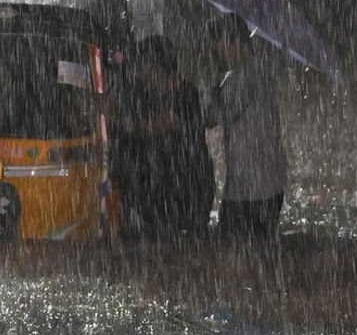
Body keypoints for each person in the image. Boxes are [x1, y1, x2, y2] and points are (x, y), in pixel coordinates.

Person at [112, 36, 213, 239]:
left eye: (141, 67)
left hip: (186, 196)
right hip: (162, 198)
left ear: (156, 67)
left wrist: (124, 124)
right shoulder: (147, 96)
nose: (138, 73)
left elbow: (164, 124)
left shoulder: (187, 94)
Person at [206, 20, 287, 240]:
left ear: (238, 44)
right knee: (256, 247)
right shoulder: (252, 71)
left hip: (254, 186)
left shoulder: (247, 75)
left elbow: (219, 116)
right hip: (259, 182)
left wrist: (214, 93)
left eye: (222, 43)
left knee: (236, 245)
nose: (218, 50)